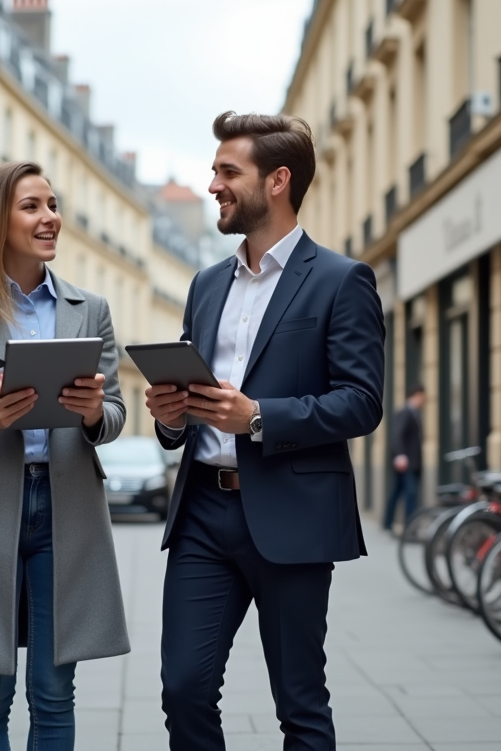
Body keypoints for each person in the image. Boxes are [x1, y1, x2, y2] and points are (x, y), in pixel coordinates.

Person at [145, 112, 385, 751]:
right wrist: (171, 416)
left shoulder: (341, 280)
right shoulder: (206, 285)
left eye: (229, 172)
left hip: (292, 514)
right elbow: (191, 400)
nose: (213, 185)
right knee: (183, 690)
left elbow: (362, 403)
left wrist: (258, 417)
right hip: (202, 513)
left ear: (278, 181)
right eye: (214, 171)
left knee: (300, 703)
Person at [0, 161, 130, 751]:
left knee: (54, 690)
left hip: (67, 506)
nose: (50, 218)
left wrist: (92, 413)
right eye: (32, 206)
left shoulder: (90, 309)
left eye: (53, 205)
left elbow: (116, 413)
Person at [385, 384, 425, 533]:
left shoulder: (415, 414)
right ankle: (410, 528)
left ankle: (388, 523)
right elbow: (398, 435)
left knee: (397, 492)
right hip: (406, 463)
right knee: (410, 494)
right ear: (415, 396)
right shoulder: (405, 413)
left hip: (411, 463)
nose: (423, 401)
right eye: (422, 397)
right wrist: (400, 456)